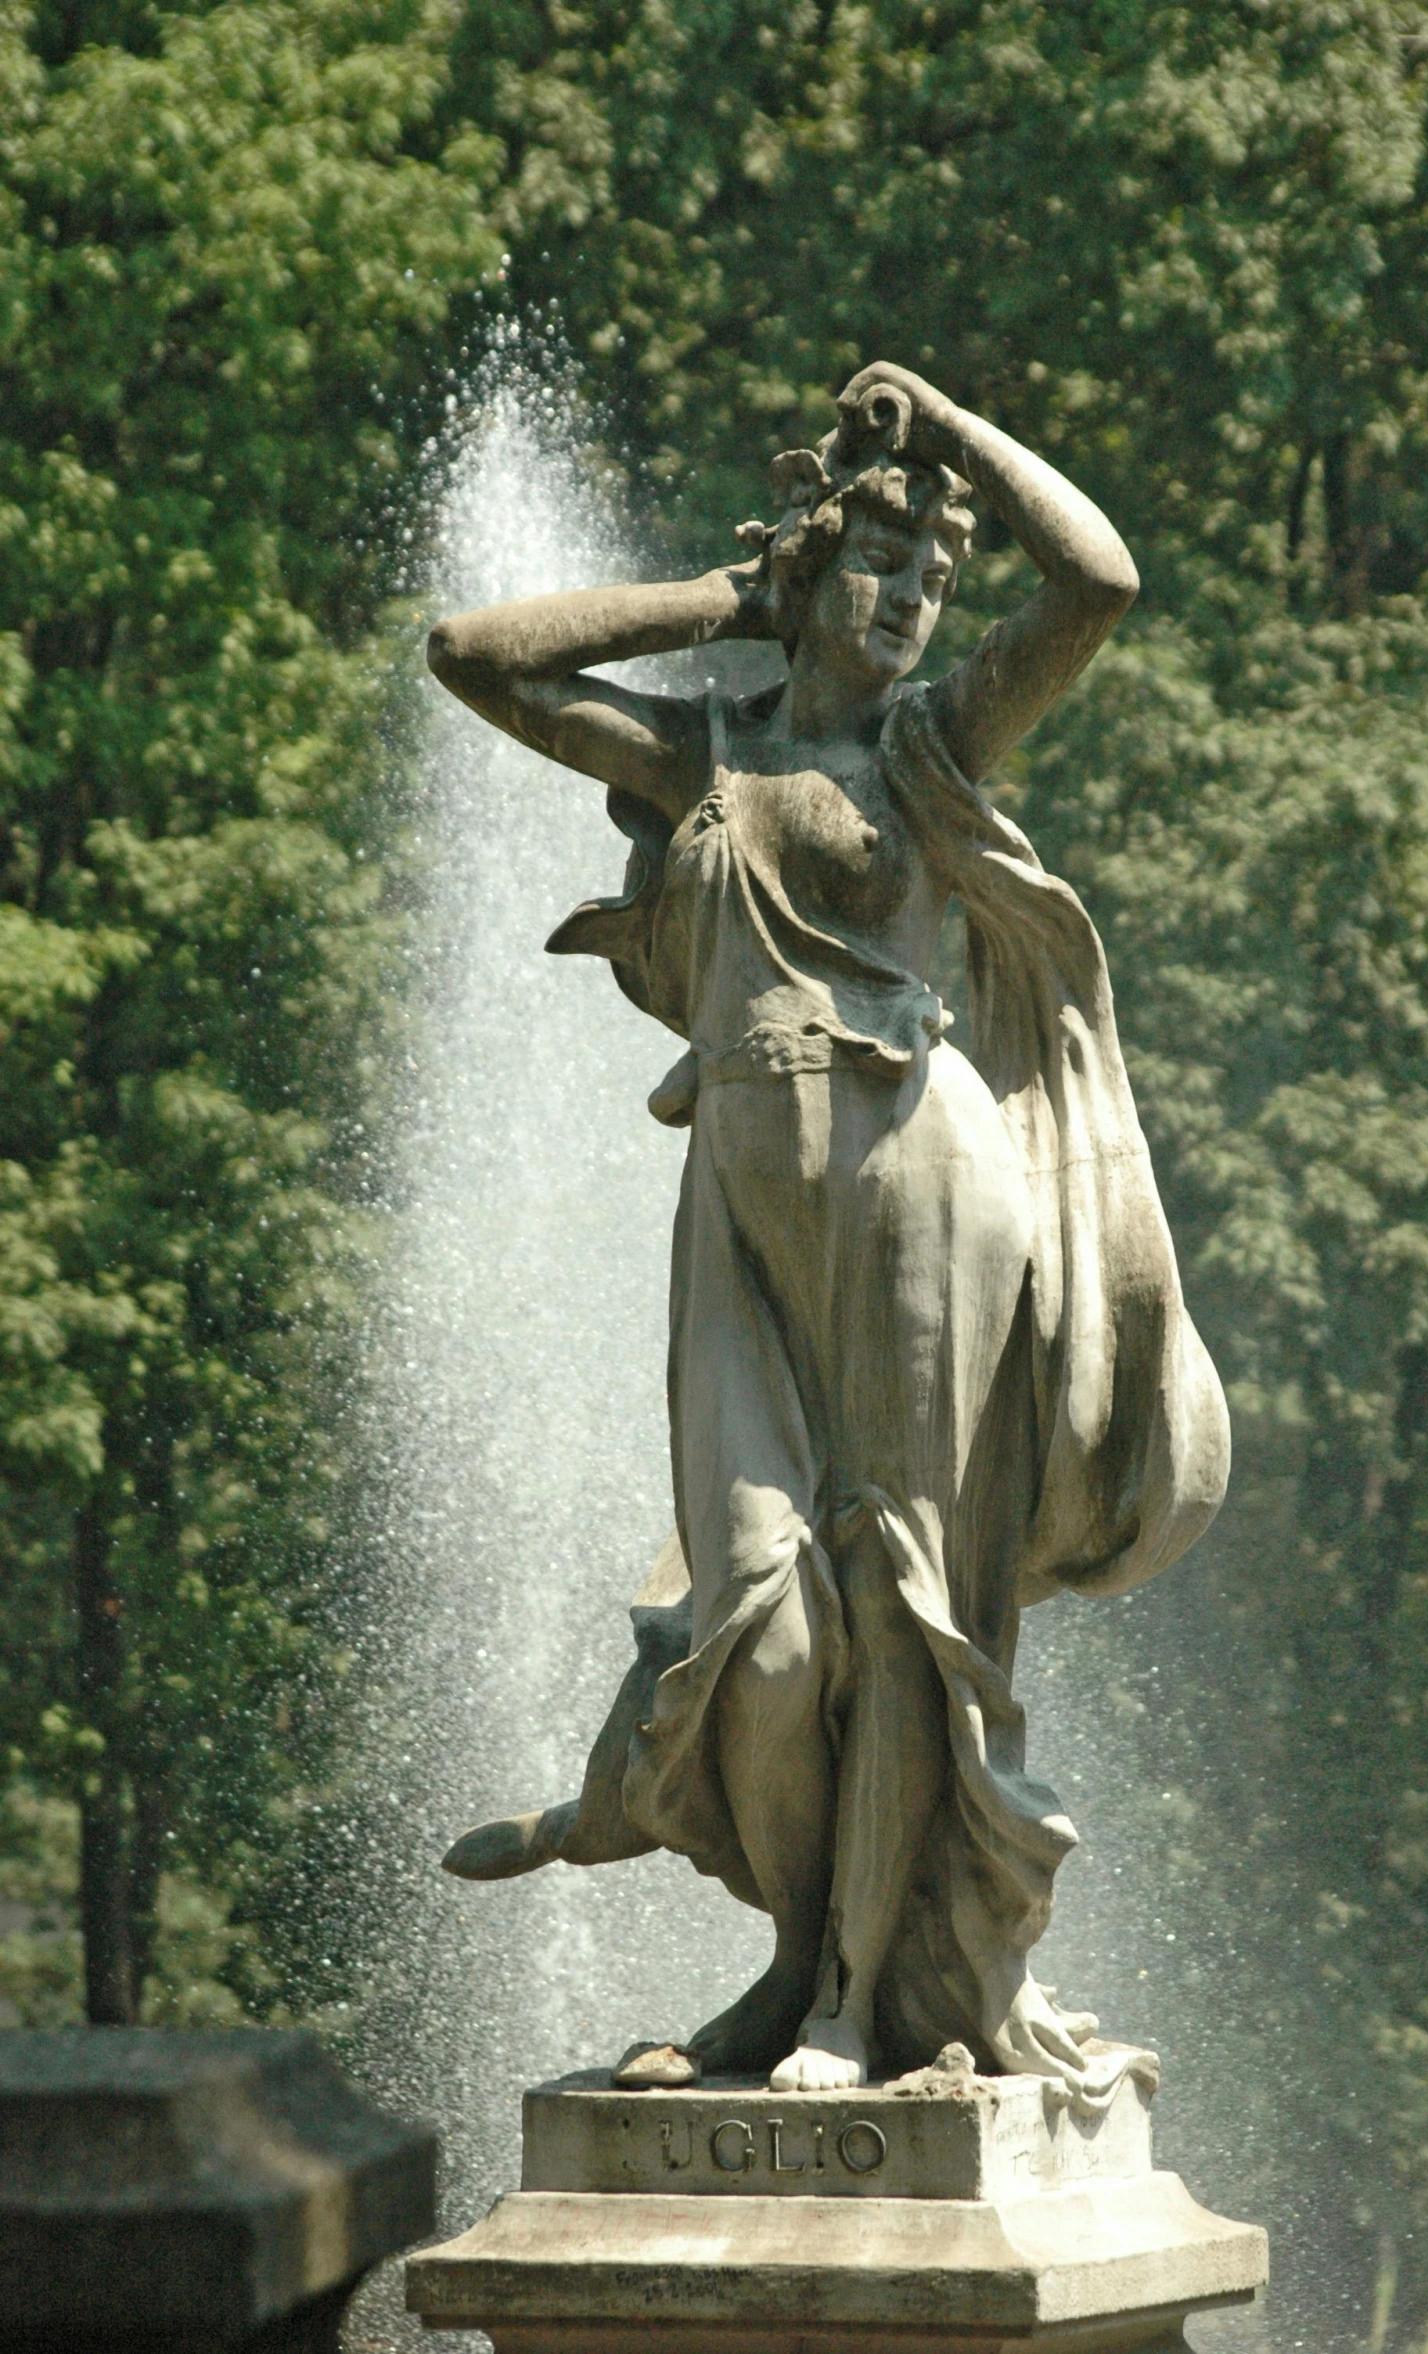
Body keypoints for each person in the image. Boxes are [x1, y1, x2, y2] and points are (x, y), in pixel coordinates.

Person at [429, 364, 1229, 2100]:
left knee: (901, 1600)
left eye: (932, 578)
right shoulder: (700, 750)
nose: (911, 597)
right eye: (877, 566)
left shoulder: (934, 740)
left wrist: (945, 423)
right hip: (739, 1208)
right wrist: (732, 596)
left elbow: (1098, 584)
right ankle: (792, 1953)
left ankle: (853, 1996)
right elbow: (477, 655)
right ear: (813, 574)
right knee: (760, 1624)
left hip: (921, 1185)